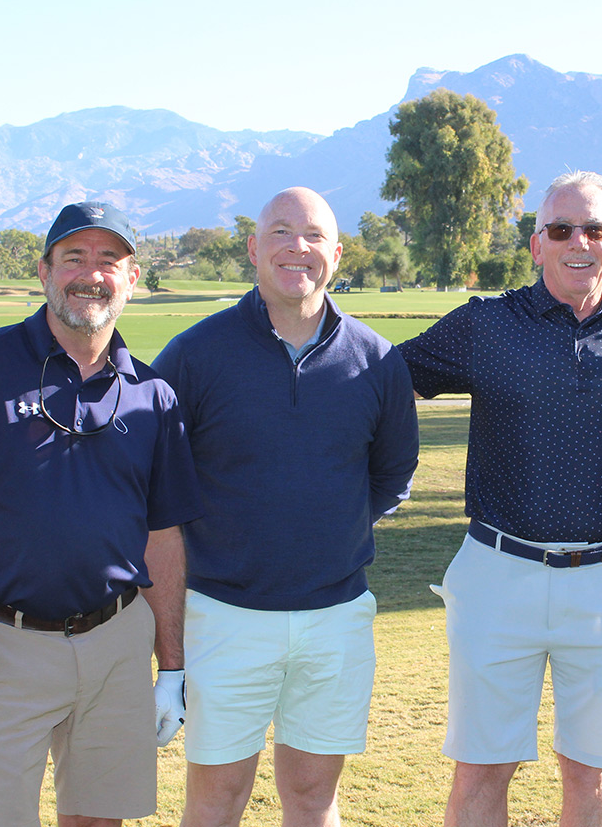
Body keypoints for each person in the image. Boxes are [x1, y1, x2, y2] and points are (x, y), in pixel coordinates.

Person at [0, 202, 202, 827]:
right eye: (73, 257)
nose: (91, 273)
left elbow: (163, 533)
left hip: (115, 641)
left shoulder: (154, 395)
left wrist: (173, 664)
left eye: (109, 260)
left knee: (101, 818)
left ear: (132, 279)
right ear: (45, 272)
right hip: (2, 645)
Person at [398, 171, 602, 827]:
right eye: (561, 229)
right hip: (497, 573)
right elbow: (378, 381)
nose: (579, 242)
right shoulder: (485, 325)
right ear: (535, 245)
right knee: (480, 773)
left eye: (595, 230)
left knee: (592, 779)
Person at [152, 187, 419, 827]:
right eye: (279, 232)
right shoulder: (195, 354)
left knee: (312, 797)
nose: (297, 247)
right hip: (223, 616)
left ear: (337, 253)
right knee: (217, 799)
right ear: (253, 248)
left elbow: (390, 476)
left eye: (314, 235)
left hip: (337, 620)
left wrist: (324, 526)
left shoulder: (377, 360)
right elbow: (158, 484)